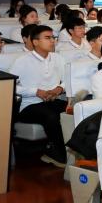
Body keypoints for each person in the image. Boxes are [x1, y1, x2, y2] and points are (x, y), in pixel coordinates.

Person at [11, 25, 67, 167]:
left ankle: (74, 151)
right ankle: (59, 155)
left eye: (53, 38)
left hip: (53, 100)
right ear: (35, 42)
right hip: (29, 104)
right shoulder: (22, 61)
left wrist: (59, 88)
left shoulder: (58, 58)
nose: (52, 41)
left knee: (73, 110)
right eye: (47, 38)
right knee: (51, 116)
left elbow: (69, 79)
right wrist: (35, 91)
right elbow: (11, 86)